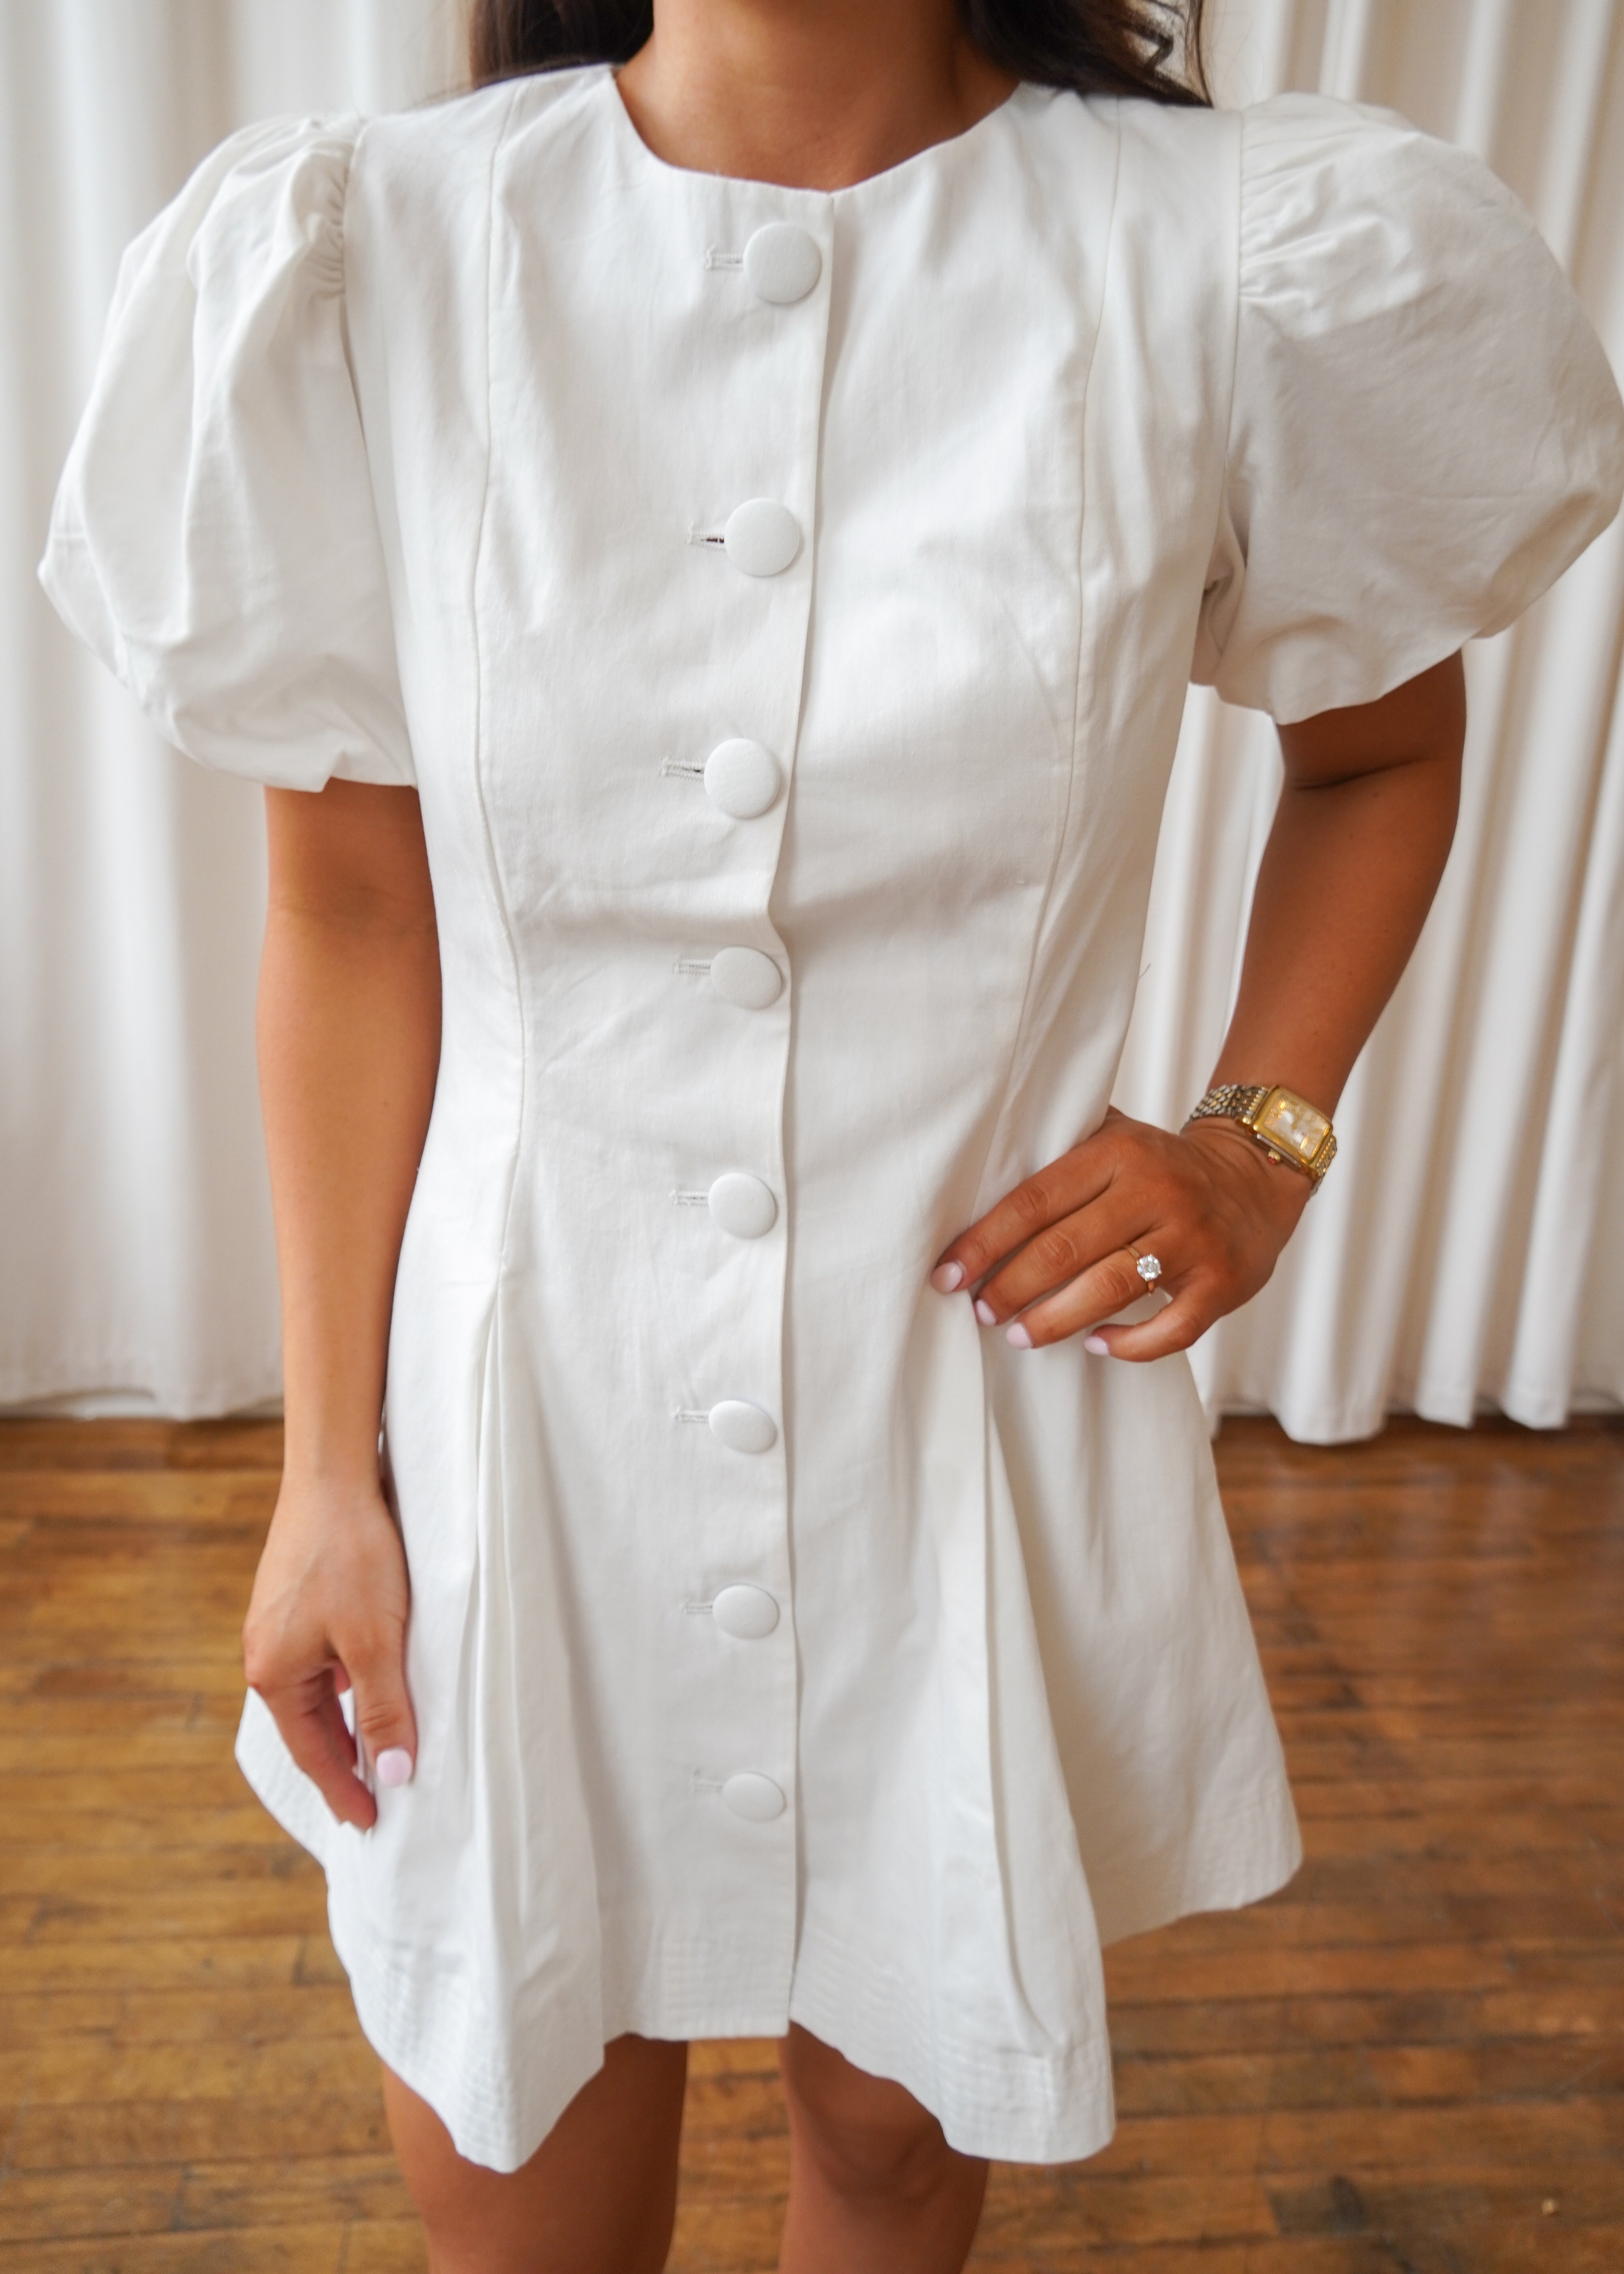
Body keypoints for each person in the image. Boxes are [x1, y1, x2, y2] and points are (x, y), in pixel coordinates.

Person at [40, 0, 1624, 2267]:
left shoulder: (1216, 257)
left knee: (893, 2131)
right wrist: (319, 1479)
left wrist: (1257, 1139)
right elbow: (355, 912)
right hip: (521, 1423)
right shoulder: (376, 251)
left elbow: (1377, 756)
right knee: (513, 2143)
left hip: (960, 1406)